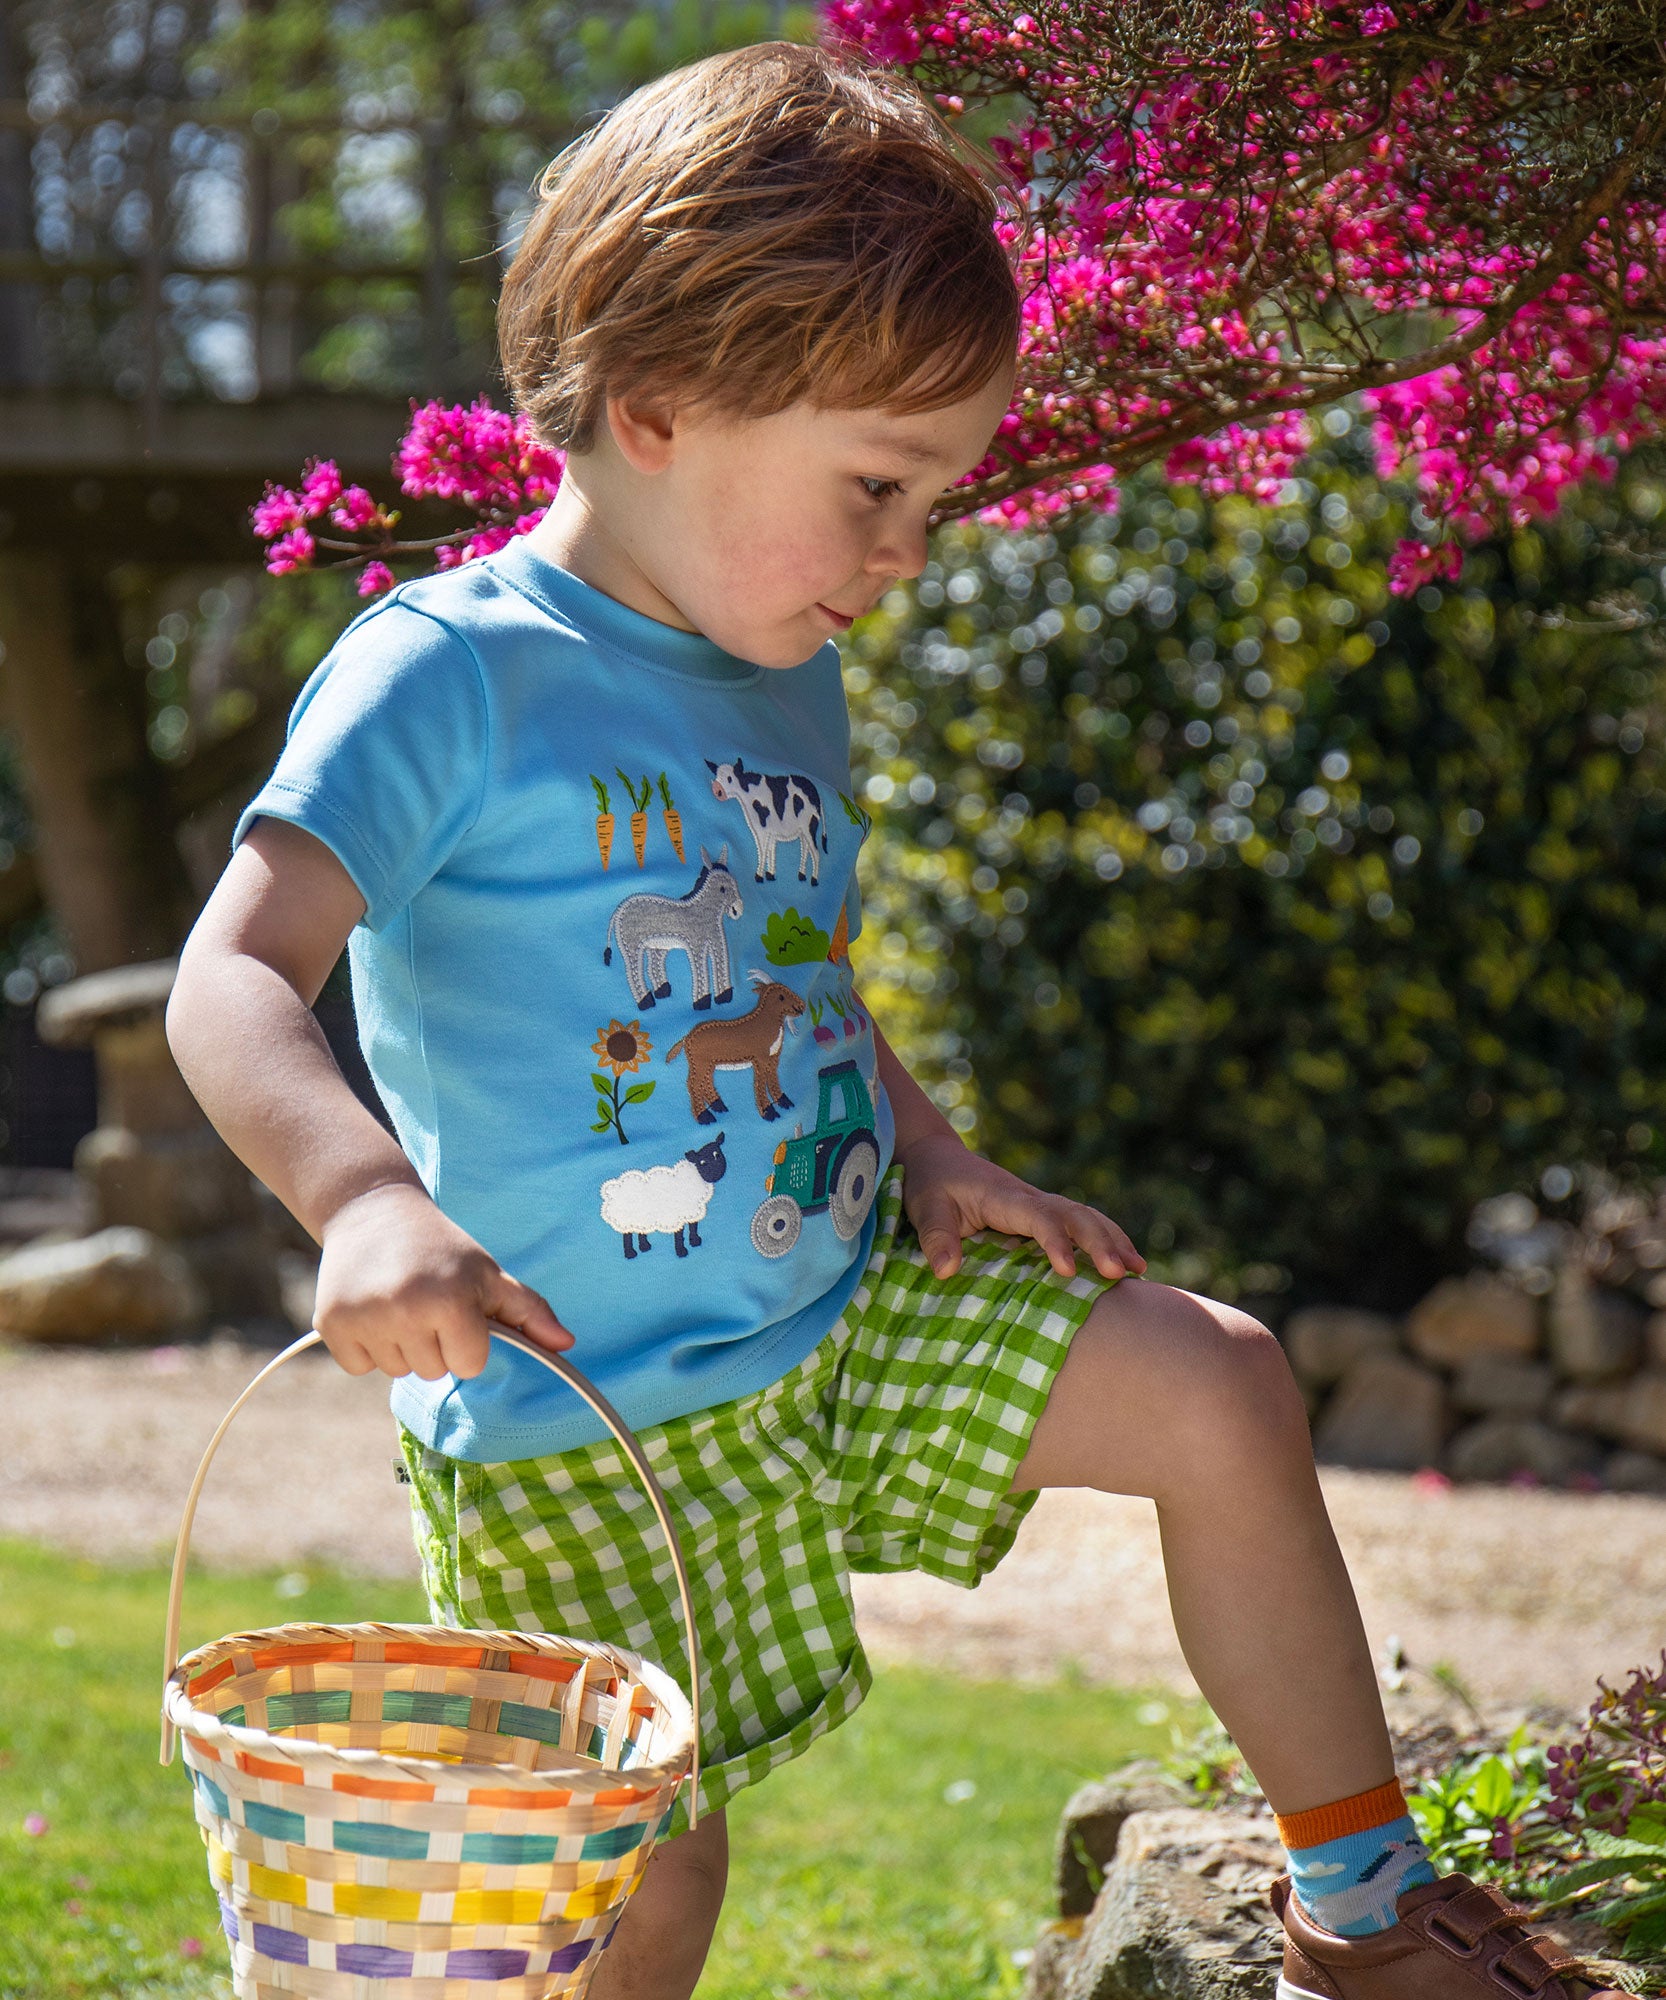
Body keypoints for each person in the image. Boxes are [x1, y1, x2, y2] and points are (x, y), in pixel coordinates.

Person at [165, 40, 1622, 2000]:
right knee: (641, 1885)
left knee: (1214, 1380)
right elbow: (236, 972)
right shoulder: (446, 676)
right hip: (576, 1417)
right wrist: (355, 1198)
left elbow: (798, 967)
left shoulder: (778, 672)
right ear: (661, 399)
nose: (908, 552)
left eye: (929, 495)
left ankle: (1355, 1914)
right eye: (876, 485)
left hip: (844, 1318)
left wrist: (927, 1146)